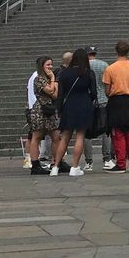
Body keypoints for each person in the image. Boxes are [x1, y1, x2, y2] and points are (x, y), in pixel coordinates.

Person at [52, 48, 97, 177]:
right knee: (80, 136)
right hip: (84, 105)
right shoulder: (89, 73)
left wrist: (59, 109)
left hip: (69, 106)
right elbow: (94, 93)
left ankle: (55, 166)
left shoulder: (64, 73)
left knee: (65, 137)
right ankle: (75, 167)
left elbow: (60, 94)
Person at [103, 41, 129, 173]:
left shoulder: (110, 68)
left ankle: (121, 163)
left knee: (118, 134)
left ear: (116, 51)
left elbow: (107, 90)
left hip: (116, 101)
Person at [28, 56, 60, 175]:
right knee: (36, 137)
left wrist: (52, 81)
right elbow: (50, 91)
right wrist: (52, 79)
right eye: (48, 65)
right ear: (42, 66)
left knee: (56, 136)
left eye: (51, 64)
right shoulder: (39, 79)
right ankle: (35, 164)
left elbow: (55, 95)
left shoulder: (47, 79)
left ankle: (57, 162)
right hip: (40, 110)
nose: (51, 67)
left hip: (50, 110)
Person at [85, 47, 113, 171]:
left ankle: (88, 161)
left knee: (86, 132)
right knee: (105, 130)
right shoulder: (104, 65)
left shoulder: (83, 66)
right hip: (103, 100)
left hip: (88, 101)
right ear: (95, 53)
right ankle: (107, 158)